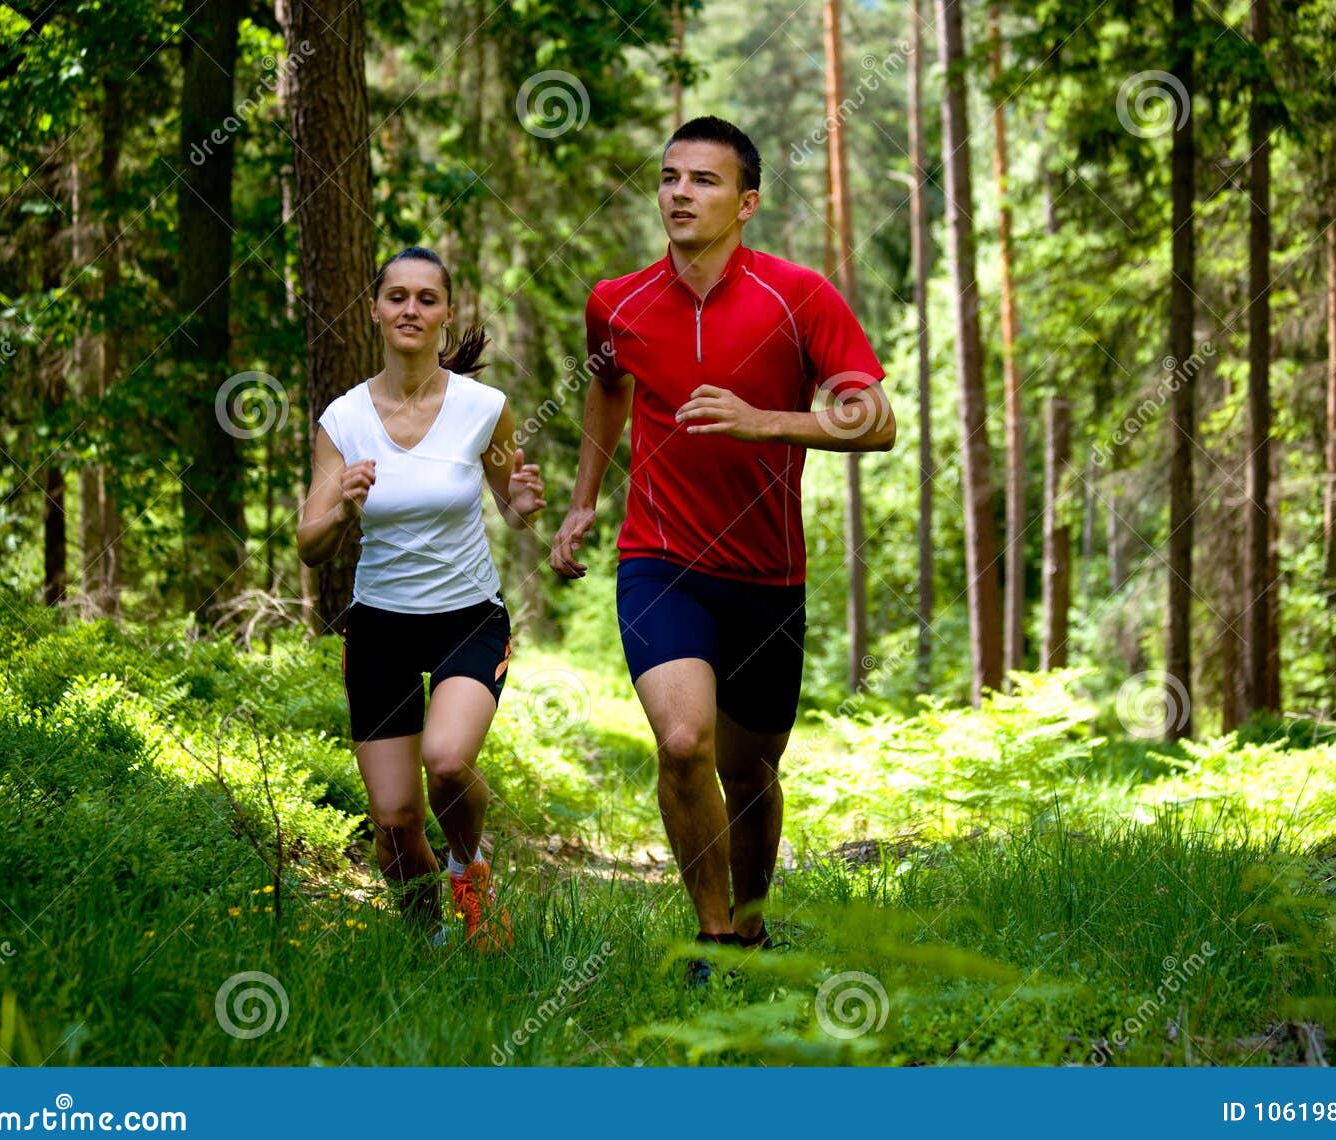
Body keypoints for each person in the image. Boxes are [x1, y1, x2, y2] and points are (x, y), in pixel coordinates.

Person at [549, 117, 895, 984]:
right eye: (669, 177)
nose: (679, 193)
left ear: (745, 203)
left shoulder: (799, 296)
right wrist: (584, 501)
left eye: (702, 180)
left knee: (750, 774)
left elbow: (877, 420)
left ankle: (751, 924)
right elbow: (606, 388)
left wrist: (767, 422)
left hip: (769, 574)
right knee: (682, 741)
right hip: (660, 558)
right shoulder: (616, 301)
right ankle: (712, 942)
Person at [298, 246, 546, 952]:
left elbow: (509, 499)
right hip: (379, 626)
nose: (411, 310)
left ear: (447, 314)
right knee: (395, 818)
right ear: (375, 310)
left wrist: (523, 503)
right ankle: (428, 944)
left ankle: (470, 868)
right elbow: (309, 542)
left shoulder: (483, 409)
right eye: (397, 296)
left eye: (426, 298)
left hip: (468, 618)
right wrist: (341, 510)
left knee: (445, 759)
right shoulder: (343, 420)